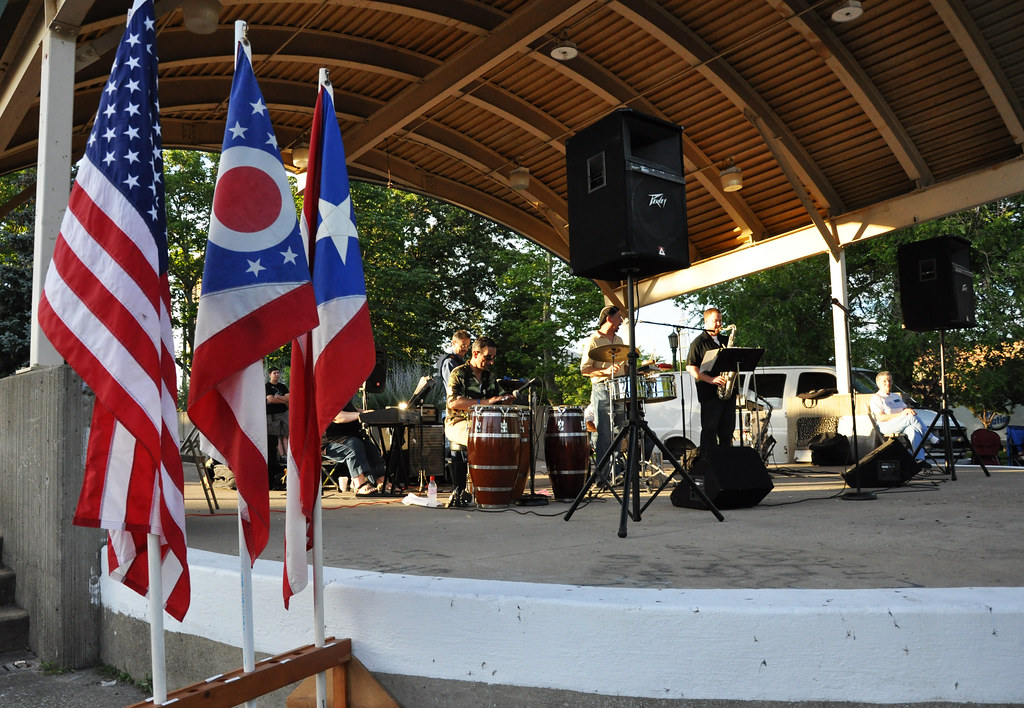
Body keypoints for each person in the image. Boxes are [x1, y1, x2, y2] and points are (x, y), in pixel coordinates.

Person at [445, 336, 515, 506]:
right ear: (475, 353)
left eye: (493, 357)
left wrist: (506, 399)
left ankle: (495, 488)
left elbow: (497, 398)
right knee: (480, 438)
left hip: (485, 425)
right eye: (488, 357)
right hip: (457, 422)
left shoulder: (490, 377)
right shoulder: (459, 373)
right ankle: (462, 491)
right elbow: (453, 402)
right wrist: (484, 402)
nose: (491, 361)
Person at [580, 305, 626, 468]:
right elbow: (585, 369)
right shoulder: (593, 340)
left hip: (619, 387)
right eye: (619, 317)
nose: (621, 321)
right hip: (602, 387)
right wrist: (605, 371)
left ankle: (617, 470)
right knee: (604, 432)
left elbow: (624, 367)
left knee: (620, 430)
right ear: (609, 318)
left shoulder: (619, 340)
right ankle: (603, 473)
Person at [685, 307, 736, 452]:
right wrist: (711, 379)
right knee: (710, 430)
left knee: (727, 431)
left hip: (728, 393)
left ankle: (726, 465)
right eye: (716, 321)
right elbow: (691, 368)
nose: (719, 324)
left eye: (720, 320)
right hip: (709, 394)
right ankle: (708, 464)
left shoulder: (725, 340)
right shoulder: (698, 343)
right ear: (706, 321)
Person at [870, 371, 939, 468]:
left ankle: (919, 459)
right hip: (886, 426)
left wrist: (907, 411)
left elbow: (905, 409)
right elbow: (881, 417)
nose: (888, 383)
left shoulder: (896, 396)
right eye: (884, 381)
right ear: (878, 384)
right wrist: (902, 414)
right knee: (910, 417)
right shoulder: (877, 398)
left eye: (889, 380)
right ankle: (930, 437)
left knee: (913, 430)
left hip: (902, 424)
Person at [323, 401, 387, 496]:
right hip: (331, 442)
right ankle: (360, 485)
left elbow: (352, 410)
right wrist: (361, 414)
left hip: (350, 438)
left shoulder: (343, 395)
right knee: (353, 448)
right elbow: (338, 417)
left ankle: (382, 481)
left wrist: (367, 412)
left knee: (370, 447)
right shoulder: (326, 396)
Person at [436, 330, 472, 397]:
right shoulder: (450, 362)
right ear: (453, 343)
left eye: (468, 346)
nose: (466, 349)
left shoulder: (460, 361)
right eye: (463, 345)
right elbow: (452, 388)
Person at [265, 367, 289, 463]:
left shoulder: (282, 386)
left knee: (286, 434)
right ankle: (282, 455)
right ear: (270, 375)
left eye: (278, 373)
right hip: (273, 415)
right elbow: (270, 399)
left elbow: (290, 398)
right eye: (274, 373)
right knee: (277, 435)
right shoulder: (267, 386)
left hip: (284, 412)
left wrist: (278, 397)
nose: (277, 375)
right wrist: (283, 399)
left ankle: (288, 454)